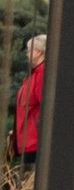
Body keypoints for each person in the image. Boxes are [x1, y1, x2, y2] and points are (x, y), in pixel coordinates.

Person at [11, 34, 41, 166]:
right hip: (29, 143)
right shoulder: (33, 75)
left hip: (35, 143)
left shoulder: (41, 73)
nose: (27, 54)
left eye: (29, 50)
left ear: (38, 51)